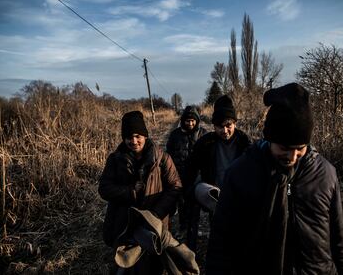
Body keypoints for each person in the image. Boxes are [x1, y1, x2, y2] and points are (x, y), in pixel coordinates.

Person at [206, 83, 343, 275]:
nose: (292, 156)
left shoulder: (325, 174)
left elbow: (338, 240)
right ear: (269, 139)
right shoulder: (241, 174)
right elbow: (221, 243)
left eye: (300, 148)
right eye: (284, 148)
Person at [98, 110, 182, 275]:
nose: (134, 141)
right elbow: (104, 189)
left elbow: (175, 186)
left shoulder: (162, 158)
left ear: (145, 135)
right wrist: (130, 192)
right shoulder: (115, 159)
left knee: (154, 265)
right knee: (127, 266)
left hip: (154, 225)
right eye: (129, 137)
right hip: (125, 224)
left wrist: (156, 214)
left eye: (138, 136)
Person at [185, 95, 251, 251]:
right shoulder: (205, 143)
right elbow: (191, 167)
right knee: (219, 234)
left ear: (235, 123)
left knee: (239, 235)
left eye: (228, 125)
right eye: (220, 126)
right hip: (215, 197)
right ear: (213, 126)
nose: (225, 130)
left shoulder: (246, 143)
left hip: (239, 197)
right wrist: (190, 191)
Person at [166, 105, 208, 235]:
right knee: (182, 203)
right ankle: (183, 227)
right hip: (179, 175)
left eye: (193, 121)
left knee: (195, 203)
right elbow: (169, 155)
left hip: (197, 176)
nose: (190, 123)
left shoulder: (203, 134)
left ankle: (194, 228)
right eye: (187, 120)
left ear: (197, 121)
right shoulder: (175, 135)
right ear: (183, 121)